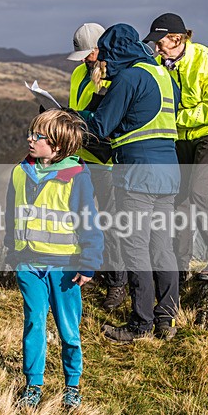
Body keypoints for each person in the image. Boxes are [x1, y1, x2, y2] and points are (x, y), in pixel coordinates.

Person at [80, 23, 181, 343]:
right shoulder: (163, 76)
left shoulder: (129, 77)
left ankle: (141, 323)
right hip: (169, 172)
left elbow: (101, 127)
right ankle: (166, 318)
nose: (105, 63)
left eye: (107, 56)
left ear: (117, 52)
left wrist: (72, 117)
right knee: (162, 248)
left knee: (135, 248)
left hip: (138, 173)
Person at [3, 109, 104, 410]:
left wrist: (89, 262)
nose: (30, 139)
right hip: (28, 265)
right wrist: (11, 252)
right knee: (34, 323)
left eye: (38, 136)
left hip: (65, 269)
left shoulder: (77, 177)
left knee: (68, 329)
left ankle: (72, 385)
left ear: (58, 145)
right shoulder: (20, 172)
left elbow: (89, 222)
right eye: (31, 133)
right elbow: (11, 215)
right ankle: (33, 385)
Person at [143, 13, 208, 282]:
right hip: (182, 137)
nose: (157, 49)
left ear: (177, 39)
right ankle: (179, 265)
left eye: (160, 43)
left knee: (199, 192)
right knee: (179, 199)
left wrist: (174, 118)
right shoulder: (159, 65)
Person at [66, 23, 127, 312]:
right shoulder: (79, 73)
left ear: (99, 49)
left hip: (106, 161)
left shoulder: (114, 76)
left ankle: (117, 282)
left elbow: (107, 119)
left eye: (87, 55)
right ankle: (90, 269)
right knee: (82, 217)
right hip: (81, 156)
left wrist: (76, 116)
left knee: (110, 221)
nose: (85, 61)